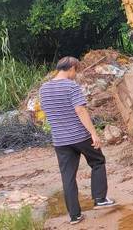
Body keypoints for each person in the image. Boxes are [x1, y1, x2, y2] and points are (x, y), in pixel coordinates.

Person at [39, 57, 115, 224]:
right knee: (98, 161)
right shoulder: (70, 86)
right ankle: (100, 198)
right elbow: (80, 110)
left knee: (68, 177)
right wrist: (94, 133)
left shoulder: (44, 88)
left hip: (60, 140)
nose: (76, 74)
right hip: (80, 136)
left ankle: (74, 216)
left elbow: (47, 111)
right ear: (71, 68)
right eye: (76, 70)